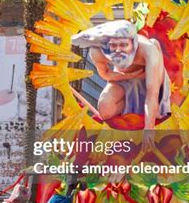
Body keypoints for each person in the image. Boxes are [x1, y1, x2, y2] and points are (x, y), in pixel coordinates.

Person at [72, 19, 171, 148]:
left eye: (124, 45)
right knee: (105, 109)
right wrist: (129, 76)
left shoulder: (148, 50)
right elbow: (106, 74)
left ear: (134, 43)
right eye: (113, 45)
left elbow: (153, 92)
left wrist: (149, 129)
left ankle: (148, 115)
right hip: (122, 78)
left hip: (150, 78)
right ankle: (127, 110)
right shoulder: (98, 52)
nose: (118, 50)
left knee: (154, 112)